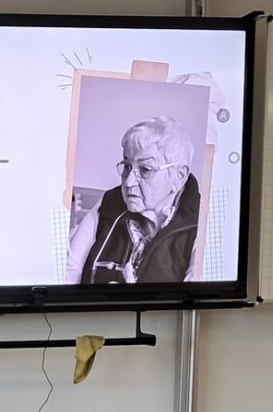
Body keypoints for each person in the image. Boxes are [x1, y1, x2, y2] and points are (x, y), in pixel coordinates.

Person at [66, 116, 200, 285]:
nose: (129, 182)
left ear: (179, 176)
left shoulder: (202, 225)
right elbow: (69, 271)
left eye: (145, 169)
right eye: (127, 166)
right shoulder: (109, 203)